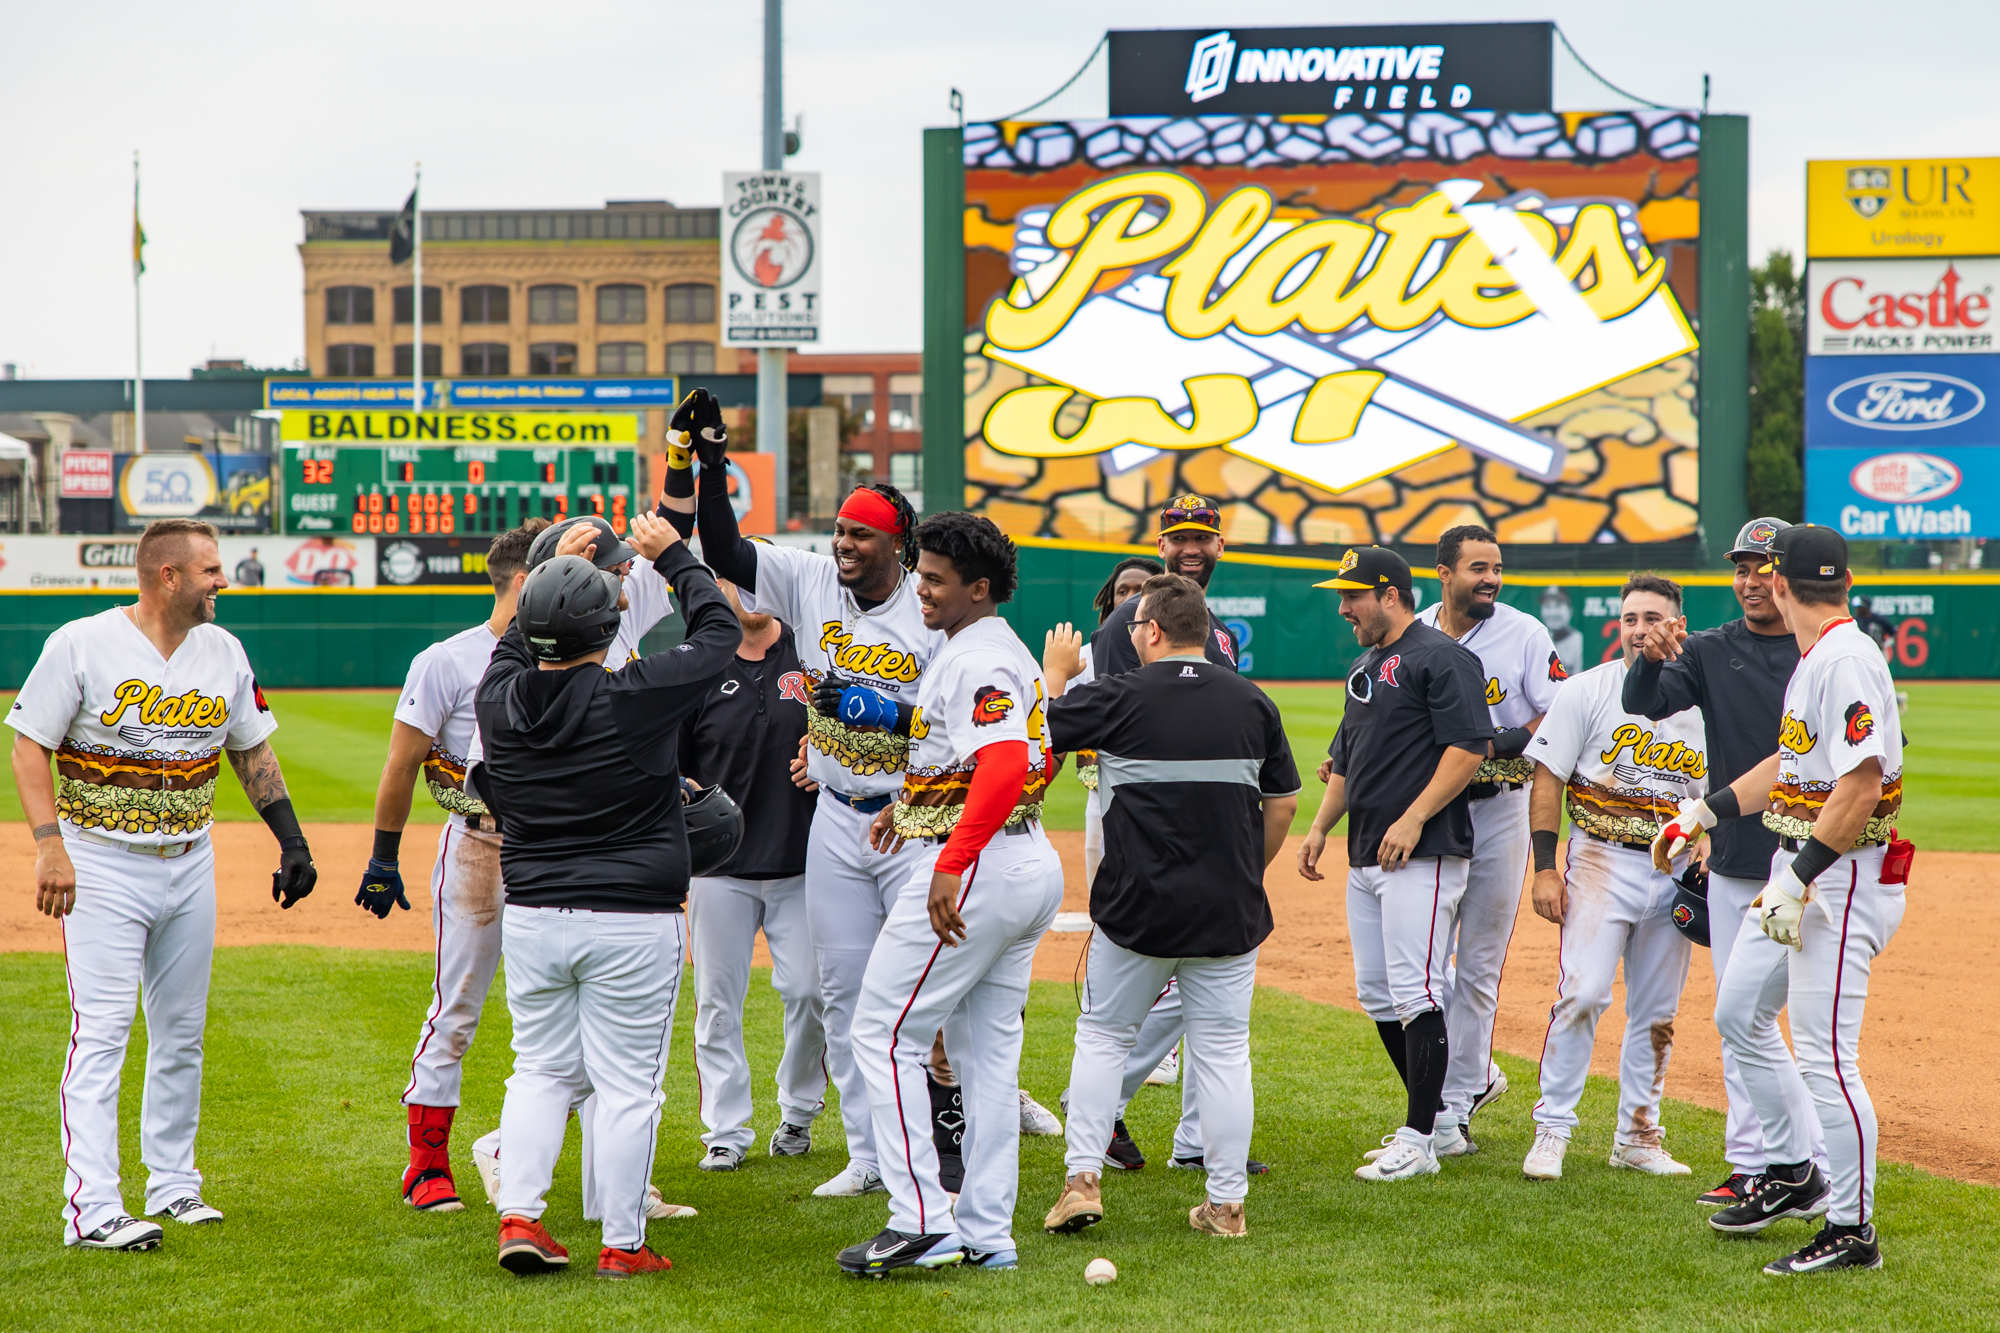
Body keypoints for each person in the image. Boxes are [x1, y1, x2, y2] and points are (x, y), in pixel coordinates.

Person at [671, 387, 954, 1198]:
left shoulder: (929, 606)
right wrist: (713, 459)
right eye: (838, 532)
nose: (843, 546)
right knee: (839, 992)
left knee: (911, 991)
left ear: (896, 544)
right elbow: (724, 547)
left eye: (860, 535)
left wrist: (890, 719)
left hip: (909, 818)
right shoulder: (809, 580)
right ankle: (866, 1155)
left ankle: (943, 1132)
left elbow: (948, 722)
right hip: (833, 817)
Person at [9, 517, 317, 1250]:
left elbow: (252, 748)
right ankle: (91, 1208)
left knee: (181, 1032)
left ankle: (174, 1184)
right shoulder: (82, 643)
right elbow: (28, 746)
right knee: (104, 1032)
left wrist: (293, 838)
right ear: (168, 577)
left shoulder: (224, 650)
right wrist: (50, 847)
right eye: (211, 570)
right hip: (103, 860)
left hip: (191, 856)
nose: (224, 580)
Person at [472, 512, 740, 1280]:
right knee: (628, 1086)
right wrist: (677, 557)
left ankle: (521, 1213)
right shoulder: (635, 694)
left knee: (540, 1070)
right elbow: (717, 631)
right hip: (631, 920)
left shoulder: (499, 698)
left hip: (531, 913)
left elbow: (515, 644)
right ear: (609, 621)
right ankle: (622, 1242)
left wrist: (551, 565)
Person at [1653, 525, 1907, 1275]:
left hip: (1838, 877)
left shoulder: (1846, 658)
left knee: (1828, 1056)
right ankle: (1795, 1168)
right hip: (1798, 868)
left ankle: (1852, 1228)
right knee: (1738, 1012)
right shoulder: (1820, 655)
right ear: (1847, 582)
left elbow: (1860, 785)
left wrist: (1797, 880)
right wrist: (1706, 811)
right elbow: (1792, 762)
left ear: (1782, 585)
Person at [837, 513, 1065, 1275]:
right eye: (920, 572)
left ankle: (923, 1220)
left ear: (979, 588)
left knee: (883, 1031)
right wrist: (915, 815)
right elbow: (1037, 761)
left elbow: (1002, 763)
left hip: (980, 868)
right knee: (986, 1055)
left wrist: (950, 858)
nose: (922, 588)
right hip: (1021, 858)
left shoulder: (976, 657)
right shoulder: (997, 650)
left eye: (935, 578)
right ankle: (985, 1231)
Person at [1039, 573, 1299, 1241]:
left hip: (1137, 907)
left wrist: (1055, 674)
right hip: (1228, 908)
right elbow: (1284, 805)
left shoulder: (1119, 693)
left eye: (1134, 628)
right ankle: (1227, 1205)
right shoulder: (1252, 700)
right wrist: (1245, 872)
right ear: (1206, 632)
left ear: (1152, 630)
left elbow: (1035, 738)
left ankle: (1081, 1182)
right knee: (1223, 1052)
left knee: (1102, 1036)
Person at [1620, 517, 1815, 1208]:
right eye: (1740, 567)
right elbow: (1642, 702)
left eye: (1763, 566)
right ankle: (1752, 1160)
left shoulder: (1821, 650)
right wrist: (1649, 657)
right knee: (1739, 1016)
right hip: (1734, 858)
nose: (1750, 579)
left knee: (1802, 1023)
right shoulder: (1707, 648)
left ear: (1788, 573)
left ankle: (1809, 1160)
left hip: (1808, 861)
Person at [359, 519, 547, 1213]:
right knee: (458, 1004)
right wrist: (384, 857)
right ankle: (426, 1162)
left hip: (561, 850)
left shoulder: (585, 649)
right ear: (525, 583)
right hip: (480, 848)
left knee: (570, 1011)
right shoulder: (449, 660)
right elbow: (403, 762)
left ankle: (567, 1161)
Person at [1297, 546, 1488, 1183]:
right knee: (1378, 993)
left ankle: (1421, 1137)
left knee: (1416, 989)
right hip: (1366, 852)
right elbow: (1346, 759)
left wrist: (1414, 817)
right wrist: (1321, 827)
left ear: (1390, 595)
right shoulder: (1366, 665)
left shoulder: (1445, 657)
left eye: (1352, 595)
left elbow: (1468, 749)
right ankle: (1437, 1123)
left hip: (1423, 851)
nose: (1344, 608)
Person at [1520, 574, 1706, 1181]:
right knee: (1583, 992)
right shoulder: (1587, 690)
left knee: (1657, 1011)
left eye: (1652, 617)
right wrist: (1546, 867)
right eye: (1629, 618)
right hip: (1600, 857)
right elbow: (1547, 776)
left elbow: (1729, 789)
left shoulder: (1705, 699)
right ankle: (1552, 1129)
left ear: (1678, 625)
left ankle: (1637, 1136)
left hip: (1674, 867)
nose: (1638, 629)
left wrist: (1712, 849)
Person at [1414, 525, 1564, 1153]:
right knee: (1424, 968)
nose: (1491, 579)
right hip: (1432, 812)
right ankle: (1470, 1077)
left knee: (1475, 965)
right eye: (1478, 567)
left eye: (1496, 568)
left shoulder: (1524, 632)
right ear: (1444, 573)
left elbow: (1558, 713)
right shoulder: (1415, 628)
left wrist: (1491, 742)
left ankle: (1451, 1112)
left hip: (1502, 809)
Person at [681, 580, 827, 1171]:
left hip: (803, 856)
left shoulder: (814, 652)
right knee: (717, 1001)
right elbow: (674, 761)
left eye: (761, 578)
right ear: (717, 591)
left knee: (811, 993)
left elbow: (856, 737)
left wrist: (831, 767)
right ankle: (726, 1129)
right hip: (719, 866)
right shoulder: (699, 661)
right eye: (737, 582)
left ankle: (797, 1112)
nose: (751, 592)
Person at [1088, 495, 1240, 676]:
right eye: (1179, 538)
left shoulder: (1225, 637)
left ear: (1220, 546)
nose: (1191, 550)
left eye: (1202, 538)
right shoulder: (1127, 619)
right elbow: (1111, 701)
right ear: (1161, 546)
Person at [1539, 585, 1585, 678]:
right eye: (1548, 606)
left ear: (1570, 610)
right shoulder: (1539, 639)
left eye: (1558, 606)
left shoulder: (1580, 640)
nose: (1552, 612)